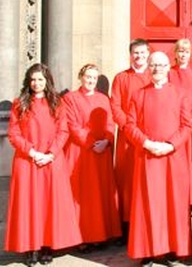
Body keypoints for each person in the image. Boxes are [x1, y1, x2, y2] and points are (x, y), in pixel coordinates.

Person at [5, 63, 82, 266]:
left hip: (51, 161)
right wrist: (31, 151)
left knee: (48, 204)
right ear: (28, 82)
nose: (36, 83)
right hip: (27, 160)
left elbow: (63, 131)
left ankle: (47, 245)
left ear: (47, 81)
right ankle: (31, 247)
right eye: (33, 79)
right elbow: (14, 133)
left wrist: (50, 154)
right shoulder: (19, 104)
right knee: (29, 204)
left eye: (40, 79)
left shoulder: (57, 103)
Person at [124, 51, 192, 266]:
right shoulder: (137, 95)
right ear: (148, 67)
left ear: (168, 67)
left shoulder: (181, 93)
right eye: (153, 65)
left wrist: (170, 145)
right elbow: (129, 125)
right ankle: (148, 250)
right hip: (148, 156)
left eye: (162, 65)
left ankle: (173, 249)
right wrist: (146, 143)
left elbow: (187, 125)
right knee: (148, 204)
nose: (157, 69)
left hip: (172, 156)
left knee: (172, 203)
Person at [63, 64, 121, 250]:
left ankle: (100, 235)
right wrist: (90, 143)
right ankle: (81, 238)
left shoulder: (104, 99)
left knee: (99, 196)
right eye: (88, 76)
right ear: (81, 76)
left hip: (101, 152)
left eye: (94, 78)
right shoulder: (70, 98)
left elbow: (111, 124)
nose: (90, 80)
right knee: (83, 195)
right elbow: (71, 125)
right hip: (81, 152)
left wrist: (106, 141)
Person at [110, 38, 152, 242]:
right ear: (130, 54)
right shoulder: (121, 78)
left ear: (148, 54)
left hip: (149, 136)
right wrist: (127, 126)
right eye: (136, 53)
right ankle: (126, 225)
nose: (139, 56)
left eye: (143, 53)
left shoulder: (154, 76)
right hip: (128, 137)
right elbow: (115, 105)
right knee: (127, 180)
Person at [168, 38, 192, 208]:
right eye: (180, 51)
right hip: (176, 123)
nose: (183, 55)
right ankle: (180, 195)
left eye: (186, 51)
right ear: (175, 53)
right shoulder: (169, 72)